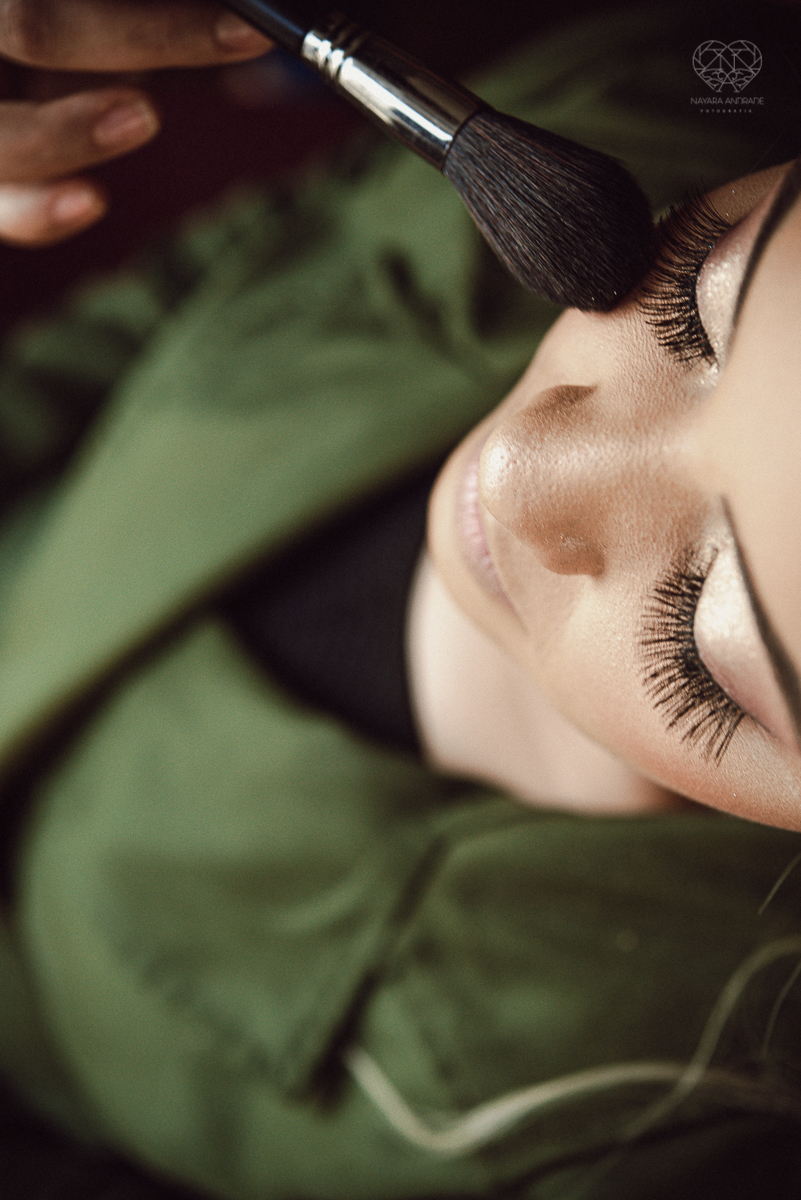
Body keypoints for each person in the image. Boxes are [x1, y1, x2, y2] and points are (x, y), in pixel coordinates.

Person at [1, 2, 801, 1198]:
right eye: (699, 297)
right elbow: (186, 295)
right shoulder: (674, 104)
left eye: (697, 643)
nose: (524, 475)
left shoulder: (624, 1131)